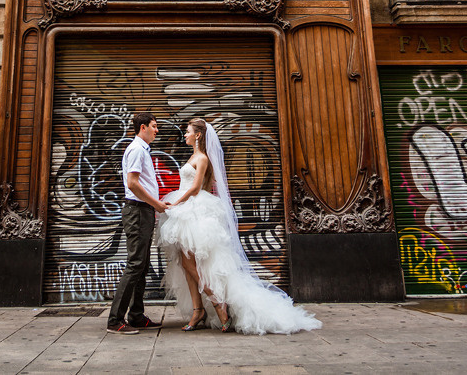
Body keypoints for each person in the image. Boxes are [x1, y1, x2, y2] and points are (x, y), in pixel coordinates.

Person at [158, 118, 322, 335]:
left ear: (198, 135)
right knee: (185, 264)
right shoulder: (193, 156)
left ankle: (218, 303)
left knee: (191, 266)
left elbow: (196, 187)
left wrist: (175, 203)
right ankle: (198, 311)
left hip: (192, 211)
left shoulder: (202, 158)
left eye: (188, 131)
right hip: (186, 211)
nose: (185, 135)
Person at [106, 111, 167, 335]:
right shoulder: (136, 150)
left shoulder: (142, 150)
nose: (156, 130)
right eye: (154, 125)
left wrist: (153, 206)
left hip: (144, 211)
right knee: (135, 264)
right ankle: (115, 320)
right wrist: (156, 204)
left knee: (141, 265)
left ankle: (136, 316)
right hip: (138, 211)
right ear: (143, 127)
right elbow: (132, 184)